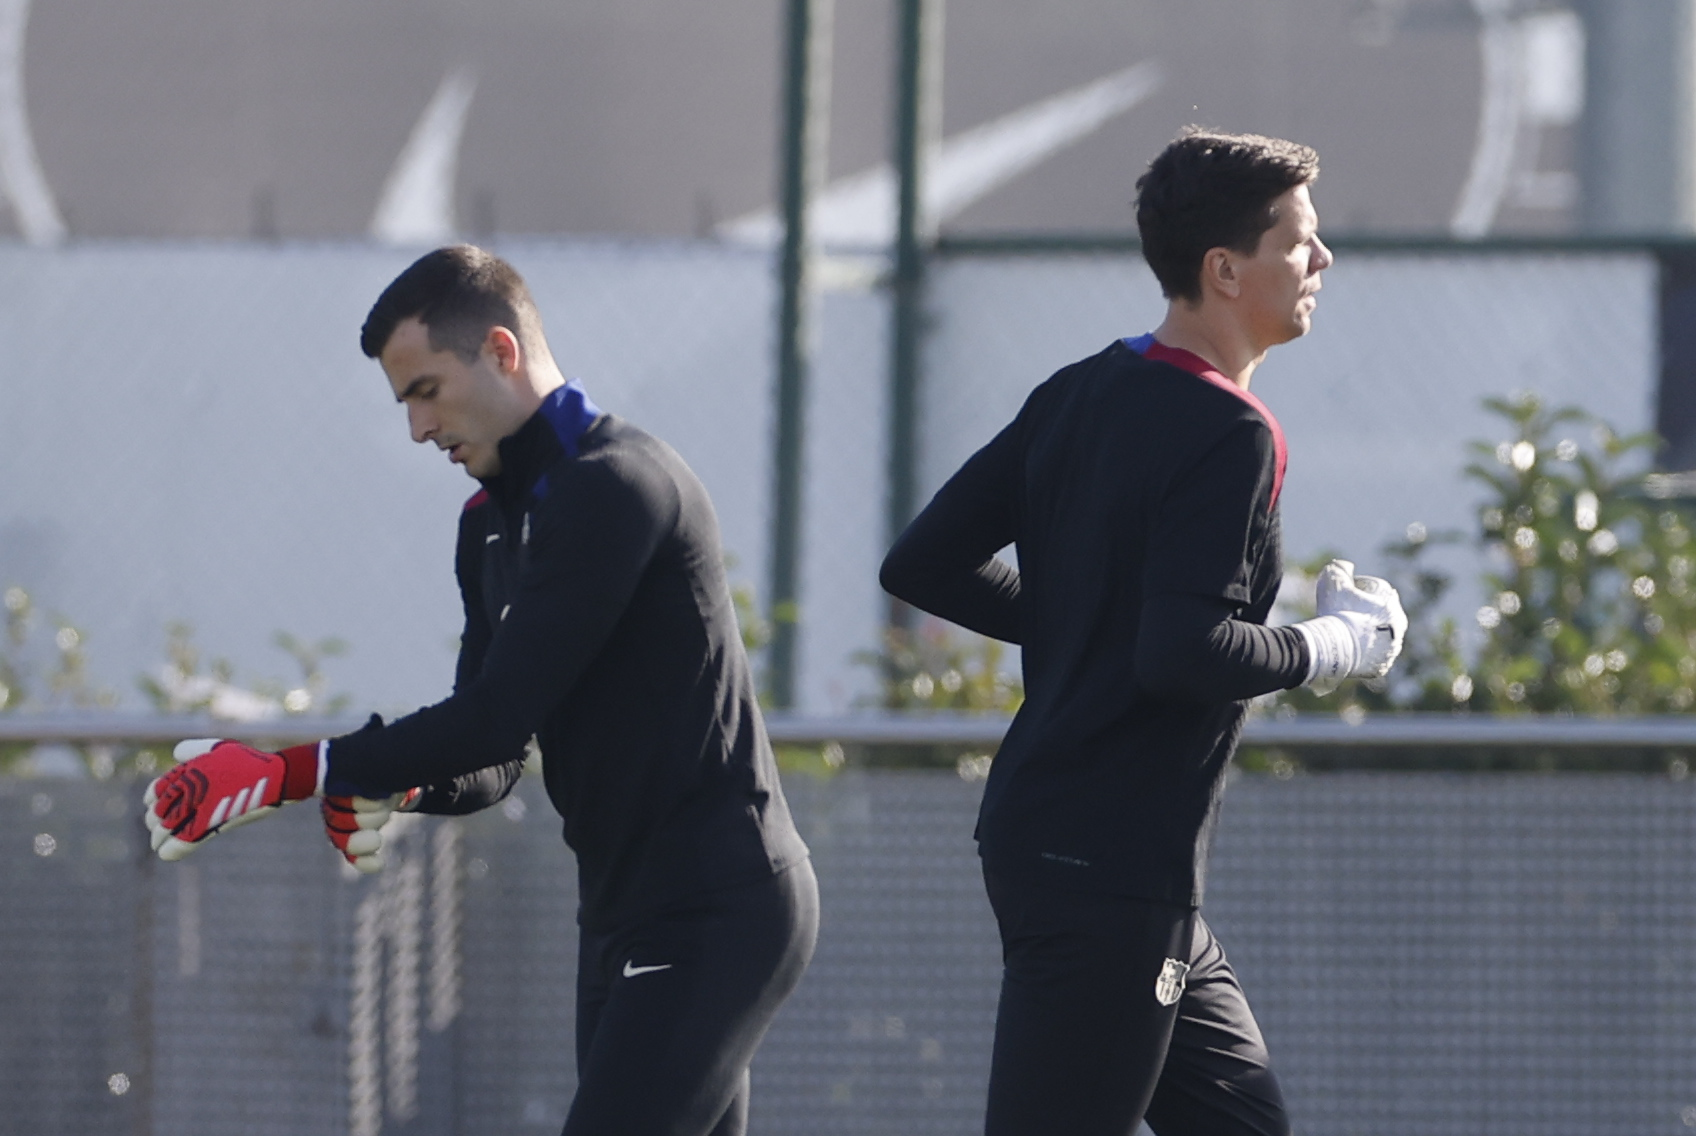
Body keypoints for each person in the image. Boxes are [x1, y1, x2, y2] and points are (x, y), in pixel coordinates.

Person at [143, 244, 817, 1136]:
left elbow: (494, 716)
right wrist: (401, 785)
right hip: (622, 915)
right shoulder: (487, 524)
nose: (418, 429)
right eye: (403, 402)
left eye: (426, 390)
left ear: (501, 351)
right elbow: (497, 751)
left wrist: (286, 772)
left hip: (717, 908)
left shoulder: (613, 485)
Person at [879, 128, 1407, 1136]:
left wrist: (1086, 618)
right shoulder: (1232, 429)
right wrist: (1331, 645)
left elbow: (922, 561)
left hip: (1084, 852)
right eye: (1299, 241)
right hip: (1108, 867)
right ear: (1223, 269)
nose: (1321, 260)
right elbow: (1182, 653)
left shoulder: (1080, 387)